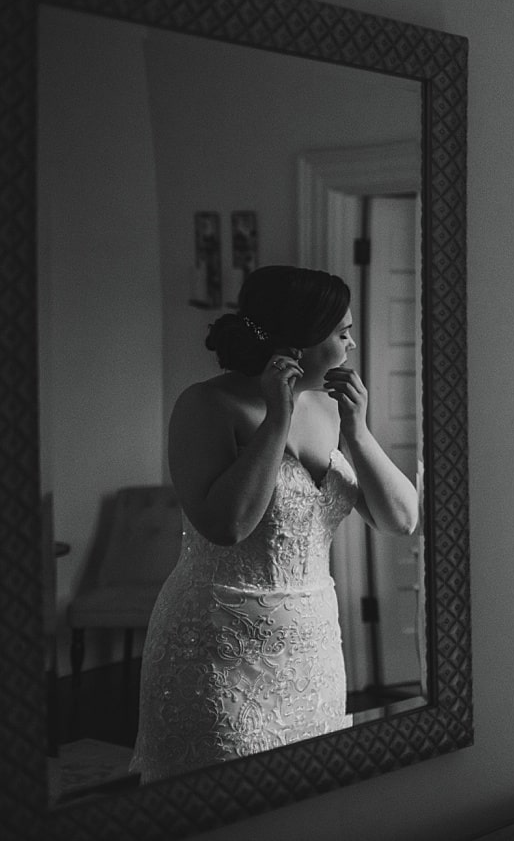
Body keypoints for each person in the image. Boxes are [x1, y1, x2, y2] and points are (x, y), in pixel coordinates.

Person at [130, 265, 419, 782]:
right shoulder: (205, 405)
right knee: (220, 801)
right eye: (342, 333)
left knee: (308, 800)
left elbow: (401, 519)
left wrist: (357, 430)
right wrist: (277, 419)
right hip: (217, 654)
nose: (351, 344)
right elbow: (229, 525)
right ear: (301, 340)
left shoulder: (331, 410)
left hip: (314, 654)